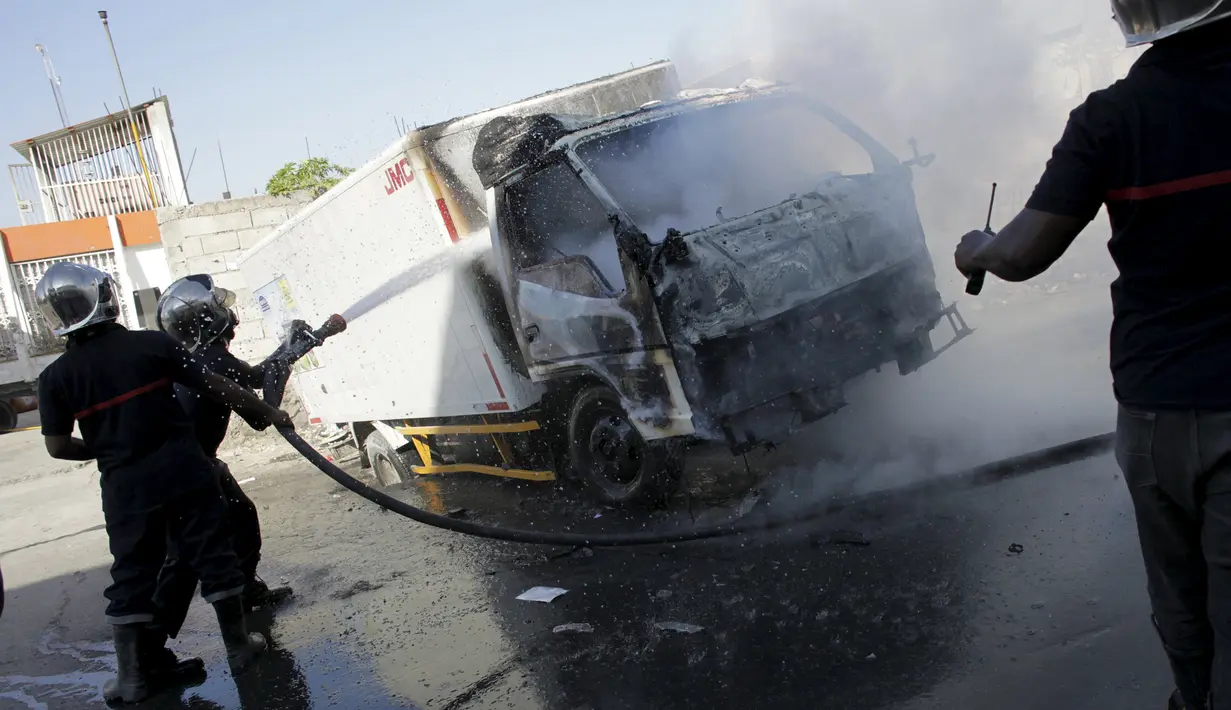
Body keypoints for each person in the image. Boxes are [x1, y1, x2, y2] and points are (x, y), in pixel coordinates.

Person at [953, 3, 1231, 708]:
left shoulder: (1109, 118)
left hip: (1155, 412)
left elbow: (1018, 253)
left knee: (1179, 600)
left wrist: (975, 247)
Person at [34, 262, 292, 704]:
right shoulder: (152, 346)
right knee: (213, 555)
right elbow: (216, 386)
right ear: (106, 298)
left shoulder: (54, 378)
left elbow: (58, 447)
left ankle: (132, 678)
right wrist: (270, 412)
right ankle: (239, 649)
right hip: (186, 473)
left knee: (132, 573)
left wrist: (111, 448)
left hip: (125, 489)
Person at [150, 274, 295, 643]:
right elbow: (262, 389)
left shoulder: (195, 357)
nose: (228, 314)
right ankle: (149, 641)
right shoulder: (214, 358)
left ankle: (247, 594)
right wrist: (292, 348)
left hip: (192, 462)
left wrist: (288, 350)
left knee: (241, 520)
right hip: (189, 470)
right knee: (188, 555)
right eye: (221, 307)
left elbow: (255, 379)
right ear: (206, 316)